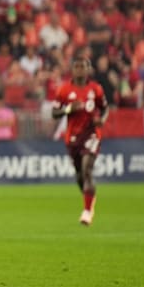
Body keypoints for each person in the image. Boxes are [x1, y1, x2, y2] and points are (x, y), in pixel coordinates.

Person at [52, 56, 108, 226]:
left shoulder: (96, 89)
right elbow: (54, 114)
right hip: (72, 137)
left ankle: (87, 211)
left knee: (87, 169)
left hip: (92, 134)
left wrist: (102, 120)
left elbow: (104, 108)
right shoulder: (64, 90)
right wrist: (69, 109)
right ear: (72, 69)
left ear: (88, 69)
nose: (79, 70)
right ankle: (89, 198)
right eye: (76, 67)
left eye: (82, 67)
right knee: (79, 175)